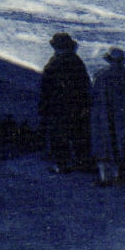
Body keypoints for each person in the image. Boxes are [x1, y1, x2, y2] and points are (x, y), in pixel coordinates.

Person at [38, 32, 92, 174]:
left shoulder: (54, 63)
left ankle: (62, 164)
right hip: (76, 105)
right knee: (77, 134)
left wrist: (44, 108)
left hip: (58, 106)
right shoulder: (76, 61)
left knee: (59, 136)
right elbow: (85, 84)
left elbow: (46, 89)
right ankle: (81, 162)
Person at [90, 47, 125, 187]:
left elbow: (93, 94)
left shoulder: (101, 75)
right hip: (122, 115)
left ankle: (104, 178)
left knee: (102, 143)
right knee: (119, 142)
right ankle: (117, 176)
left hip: (102, 114)